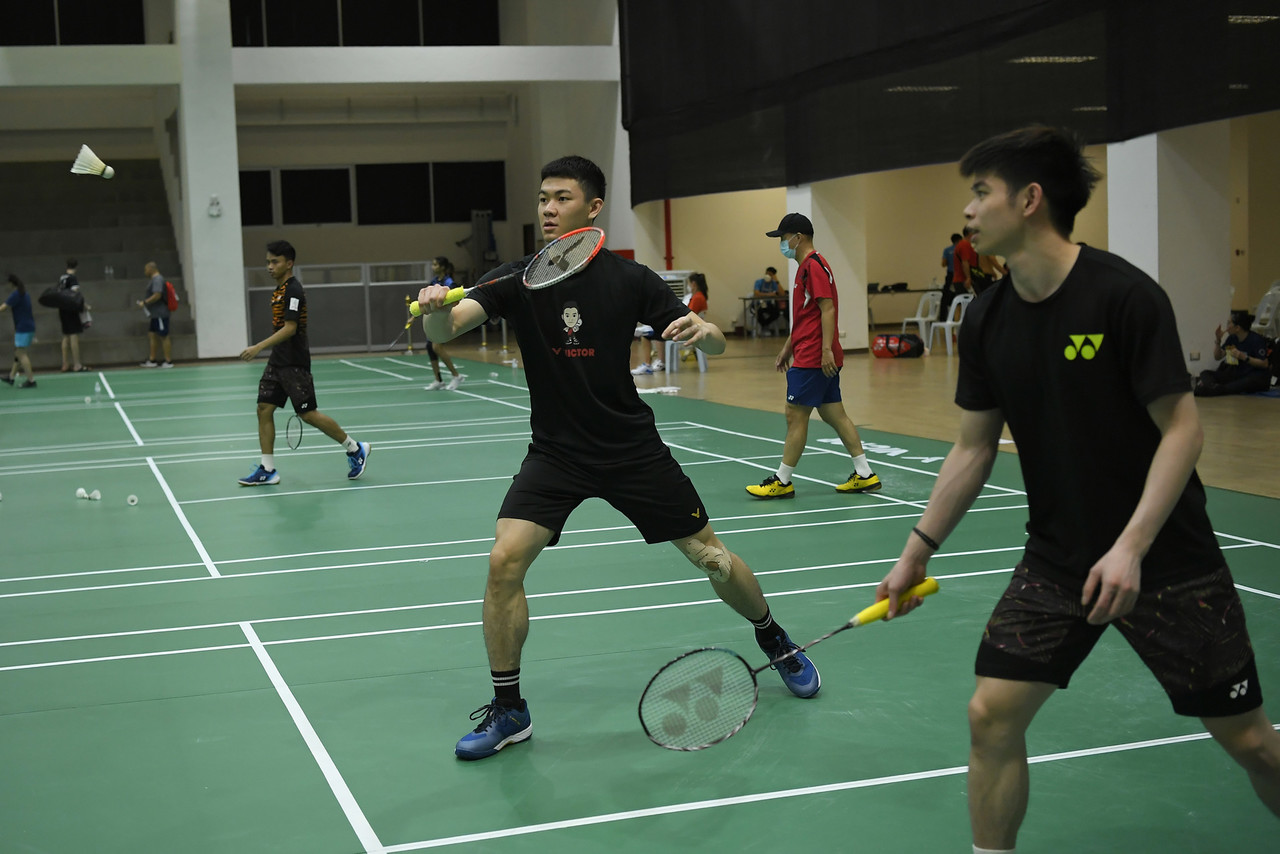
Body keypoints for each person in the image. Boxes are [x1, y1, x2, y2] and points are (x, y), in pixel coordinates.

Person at [875, 126, 1280, 853]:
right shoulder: (989, 318)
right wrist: (917, 551)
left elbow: (1182, 432)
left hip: (1168, 562)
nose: (968, 211)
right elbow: (972, 449)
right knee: (991, 715)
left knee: (1249, 741)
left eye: (980, 192)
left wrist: (1130, 548)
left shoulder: (1123, 297)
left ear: (1029, 200)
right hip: (1058, 560)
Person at [417, 155, 821, 761]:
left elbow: (708, 336)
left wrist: (701, 332)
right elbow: (448, 332)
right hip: (557, 453)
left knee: (711, 558)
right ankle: (510, 710)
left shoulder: (630, 281)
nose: (548, 209)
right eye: (542, 199)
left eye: (561, 198)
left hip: (631, 449)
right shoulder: (518, 279)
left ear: (593, 207)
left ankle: (775, 638)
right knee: (504, 562)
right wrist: (436, 307)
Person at [746, 213, 882, 499]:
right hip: (808, 351)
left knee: (794, 415)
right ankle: (865, 474)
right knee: (835, 413)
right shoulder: (804, 268)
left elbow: (827, 308)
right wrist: (787, 347)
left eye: (784, 238)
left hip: (814, 357)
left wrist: (825, 350)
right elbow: (805, 317)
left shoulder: (814, 267)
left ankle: (782, 481)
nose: (782, 244)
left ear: (799, 237)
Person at [237, 240, 370, 486]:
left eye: (274, 261)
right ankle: (268, 469)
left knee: (308, 414)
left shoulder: (293, 290)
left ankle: (354, 448)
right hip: (278, 361)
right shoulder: (279, 290)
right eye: (267, 262)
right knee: (264, 408)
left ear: (289, 263)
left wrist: (258, 347)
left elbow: (290, 328)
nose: (269, 266)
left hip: (294, 362)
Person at [1193, 310, 1272, 397]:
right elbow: (1218, 356)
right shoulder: (1232, 338)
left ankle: (1211, 389)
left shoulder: (1256, 340)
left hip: (1254, 376)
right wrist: (1218, 340)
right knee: (1205, 373)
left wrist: (1244, 357)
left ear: (1237, 328)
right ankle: (1212, 387)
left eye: (1229, 323)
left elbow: (1264, 364)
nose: (1227, 327)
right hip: (1238, 374)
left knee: (1237, 385)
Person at [422, 256, 464, 390]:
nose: (432, 267)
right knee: (430, 347)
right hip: (434, 318)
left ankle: (457, 376)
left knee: (436, 347)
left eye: (435, 265)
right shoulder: (434, 281)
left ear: (442, 267)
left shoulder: (449, 282)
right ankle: (438, 380)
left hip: (444, 319)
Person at [1, 274, 37, 388]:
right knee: (18, 352)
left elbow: (3, 307)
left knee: (21, 354)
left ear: (11, 284)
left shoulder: (16, 295)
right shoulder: (25, 294)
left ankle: (31, 380)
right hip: (29, 326)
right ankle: (11, 377)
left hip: (23, 328)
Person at [135, 261, 174, 368]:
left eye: (146, 269)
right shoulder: (155, 279)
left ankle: (168, 361)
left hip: (160, 313)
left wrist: (145, 302)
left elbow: (157, 295)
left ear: (151, 269)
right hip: (154, 314)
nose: (145, 272)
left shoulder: (157, 279)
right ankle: (152, 360)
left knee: (164, 335)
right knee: (152, 334)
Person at [57, 258, 89, 372]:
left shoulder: (62, 278)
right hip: (71, 309)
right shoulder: (73, 278)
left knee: (66, 336)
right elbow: (74, 294)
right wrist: (85, 305)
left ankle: (65, 364)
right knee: (74, 336)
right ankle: (77, 364)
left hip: (62, 308)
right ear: (76, 267)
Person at [752, 266, 787, 334]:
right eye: (767, 273)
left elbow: (782, 294)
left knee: (776, 313)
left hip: (769, 304)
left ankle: (765, 325)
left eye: (770, 274)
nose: (768, 275)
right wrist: (769, 294)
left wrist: (776, 281)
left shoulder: (774, 283)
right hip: (759, 304)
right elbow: (756, 293)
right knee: (759, 312)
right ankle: (765, 327)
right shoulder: (759, 282)